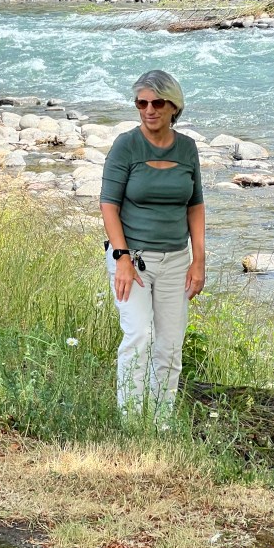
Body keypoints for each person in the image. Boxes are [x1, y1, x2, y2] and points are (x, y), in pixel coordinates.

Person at [99, 70, 205, 422]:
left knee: (171, 345)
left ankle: (161, 423)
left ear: (174, 106)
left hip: (177, 261)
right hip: (133, 260)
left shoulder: (187, 148)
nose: (149, 110)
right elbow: (108, 204)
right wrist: (122, 257)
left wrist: (199, 260)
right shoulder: (126, 145)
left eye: (157, 103)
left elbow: (195, 205)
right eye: (141, 103)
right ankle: (131, 422)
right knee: (138, 336)